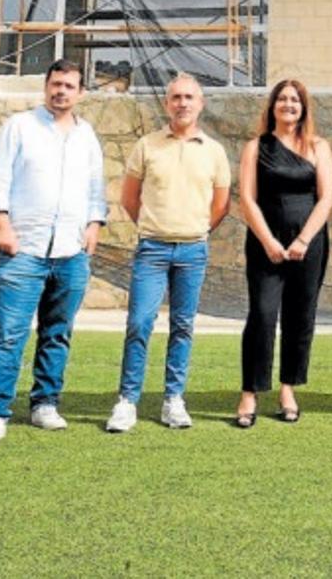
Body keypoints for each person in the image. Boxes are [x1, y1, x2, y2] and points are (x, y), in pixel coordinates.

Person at [0, 59, 107, 447]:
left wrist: (94, 226)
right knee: (7, 334)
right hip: (23, 250)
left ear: (81, 93)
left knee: (57, 333)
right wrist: (2, 226)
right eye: (55, 84)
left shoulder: (87, 137)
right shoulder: (20, 127)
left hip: (71, 251)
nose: (61, 91)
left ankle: (45, 403)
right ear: (45, 86)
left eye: (69, 86)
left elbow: (96, 189)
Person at [106, 73, 231, 432]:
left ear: (201, 103)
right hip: (152, 249)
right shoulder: (147, 145)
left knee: (182, 326)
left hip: (193, 250)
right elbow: (130, 199)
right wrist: (154, 226)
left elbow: (220, 204)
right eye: (176, 97)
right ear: (167, 103)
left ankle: (173, 399)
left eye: (189, 97)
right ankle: (127, 401)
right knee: (140, 323)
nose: (183, 103)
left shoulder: (214, 151)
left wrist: (195, 229)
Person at [234, 79, 332, 428]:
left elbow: (325, 199)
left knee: (300, 317)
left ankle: (288, 388)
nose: (288, 104)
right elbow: (247, 198)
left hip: (309, 245)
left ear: (304, 107)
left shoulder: (319, 146)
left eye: (295, 100)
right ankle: (250, 391)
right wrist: (269, 241)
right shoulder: (255, 147)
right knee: (262, 315)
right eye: (282, 99)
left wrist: (303, 240)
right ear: (272, 106)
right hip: (266, 244)